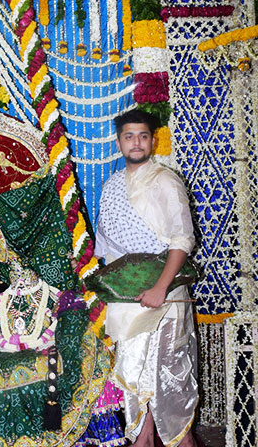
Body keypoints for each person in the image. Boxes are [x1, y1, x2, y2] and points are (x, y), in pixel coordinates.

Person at [95, 110, 198, 447]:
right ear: (119, 141)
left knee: (170, 394)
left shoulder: (165, 181)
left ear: (153, 140)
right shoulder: (111, 186)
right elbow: (107, 249)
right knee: (136, 392)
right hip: (128, 303)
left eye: (142, 136)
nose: (135, 142)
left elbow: (182, 240)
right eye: (129, 136)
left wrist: (160, 287)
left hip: (164, 301)